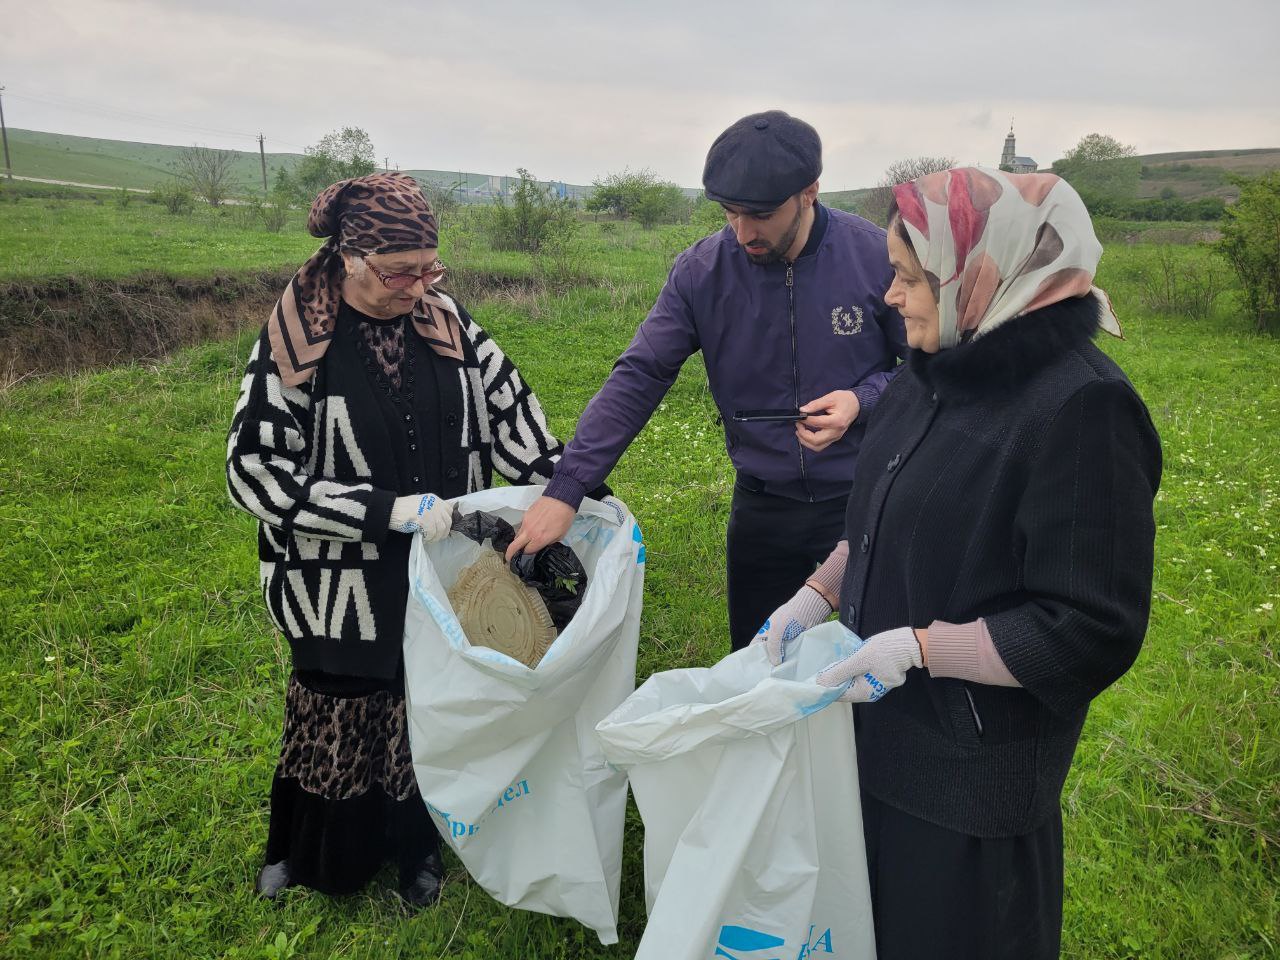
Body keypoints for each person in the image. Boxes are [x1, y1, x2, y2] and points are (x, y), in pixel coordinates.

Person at [754, 167, 1162, 958]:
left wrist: (922, 647)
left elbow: (1090, 627)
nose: (892, 297)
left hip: (972, 789)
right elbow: (882, 521)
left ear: (982, 277)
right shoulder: (930, 375)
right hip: (876, 747)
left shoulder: (1081, 411)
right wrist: (812, 596)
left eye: (910, 278)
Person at [225, 172, 607, 907]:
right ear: (351, 258)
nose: (418, 286)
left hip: (440, 567)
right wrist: (381, 511)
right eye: (402, 272)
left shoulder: (448, 322)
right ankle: (312, 853)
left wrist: (578, 495)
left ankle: (418, 851)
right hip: (335, 582)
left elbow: (516, 422)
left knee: (421, 699)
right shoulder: (297, 337)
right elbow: (253, 472)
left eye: (430, 267)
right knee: (340, 704)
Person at [507, 110, 906, 649]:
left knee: (874, 657)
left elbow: (932, 371)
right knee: (759, 661)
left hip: (870, 495)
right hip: (764, 506)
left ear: (810, 191)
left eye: (760, 214)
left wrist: (864, 400)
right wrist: (568, 486)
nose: (743, 233)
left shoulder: (875, 257)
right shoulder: (702, 272)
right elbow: (640, 374)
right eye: (730, 213)